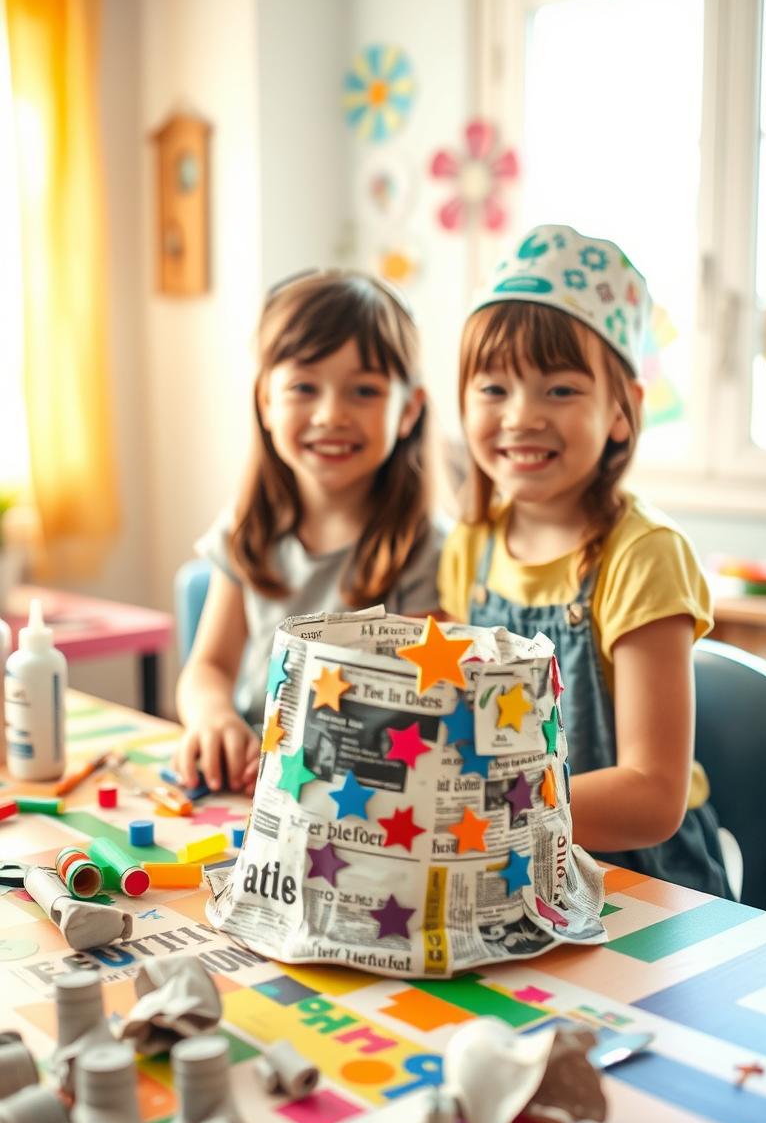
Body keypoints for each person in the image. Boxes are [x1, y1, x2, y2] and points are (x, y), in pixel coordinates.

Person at [439, 224, 729, 896]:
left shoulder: (645, 556)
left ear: (623, 412)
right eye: (493, 389)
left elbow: (654, 796)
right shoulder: (470, 544)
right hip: (509, 868)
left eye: (560, 390)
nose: (521, 417)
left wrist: (484, 805)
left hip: (643, 884)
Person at [174, 268, 443, 795]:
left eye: (364, 390)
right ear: (266, 401)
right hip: (243, 792)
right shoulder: (247, 529)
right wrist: (213, 719)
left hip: (354, 801)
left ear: (408, 410)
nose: (330, 414)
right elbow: (208, 666)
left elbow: (421, 711)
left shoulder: (428, 549)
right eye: (303, 387)